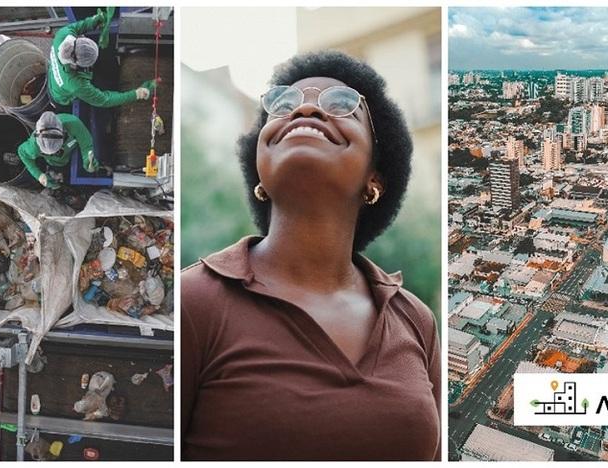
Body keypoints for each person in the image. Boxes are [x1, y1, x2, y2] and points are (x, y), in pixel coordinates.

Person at [181, 51, 440, 461]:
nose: (304, 107)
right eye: (282, 106)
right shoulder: (193, 304)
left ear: (375, 177)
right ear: (259, 168)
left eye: (340, 105)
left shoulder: (416, 320)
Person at [48, 8, 155, 108]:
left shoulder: (62, 35)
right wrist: (136, 94)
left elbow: (80, 26)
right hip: (59, 98)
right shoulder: (76, 84)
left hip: (51, 74)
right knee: (64, 102)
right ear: (78, 64)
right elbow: (104, 100)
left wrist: (94, 21)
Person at [18, 111, 99, 189]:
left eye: (57, 150)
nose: (56, 153)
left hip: (74, 149)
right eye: (48, 153)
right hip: (57, 163)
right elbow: (22, 153)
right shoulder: (33, 147)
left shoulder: (73, 124)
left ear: (63, 134)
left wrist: (87, 159)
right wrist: (39, 175)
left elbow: (86, 144)